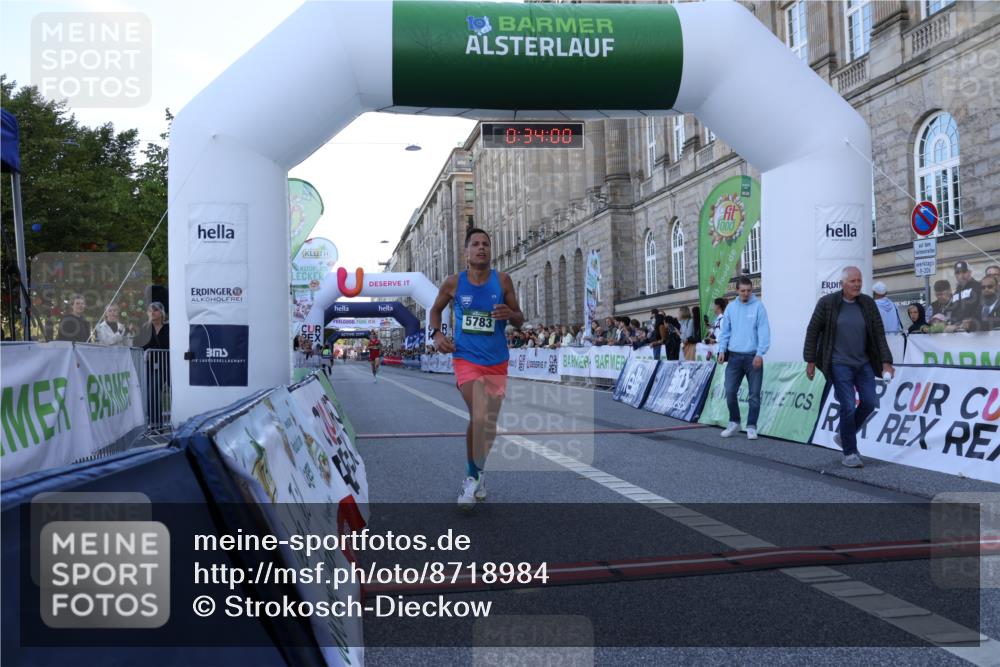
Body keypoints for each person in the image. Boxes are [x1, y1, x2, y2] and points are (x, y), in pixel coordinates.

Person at [429, 228, 524, 511]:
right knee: (479, 413)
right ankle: (470, 479)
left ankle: (479, 472)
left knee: (488, 424)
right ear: (467, 252)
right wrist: (436, 335)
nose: (481, 248)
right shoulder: (453, 283)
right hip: (466, 359)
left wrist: (511, 315)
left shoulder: (503, 280)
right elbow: (434, 310)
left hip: (497, 360)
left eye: (486, 244)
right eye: (476, 244)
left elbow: (520, 318)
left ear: (490, 251)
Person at [803, 266, 894, 469]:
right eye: (853, 281)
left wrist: (886, 362)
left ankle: (844, 436)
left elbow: (879, 334)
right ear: (843, 283)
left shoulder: (868, 304)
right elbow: (813, 331)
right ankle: (850, 452)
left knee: (870, 403)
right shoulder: (827, 303)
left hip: (863, 363)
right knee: (847, 405)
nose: (857, 284)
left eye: (859, 281)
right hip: (838, 363)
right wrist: (810, 360)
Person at [717, 277, 771, 440]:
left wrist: (760, 354)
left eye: (749, 290)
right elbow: (725, 332)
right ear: (737, 291)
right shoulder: (731, 308)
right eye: (743, 291)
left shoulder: (758, 307)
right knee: (730, 390)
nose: (746, 293)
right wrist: (721, 350)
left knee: (754, 394)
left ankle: (752, 426)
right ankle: (734, 422)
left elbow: (764, 332)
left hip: (753, 357)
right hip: (734, 357)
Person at [138, 302, 170, 428]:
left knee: (154, 392)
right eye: (150, 310)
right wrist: (145, 351)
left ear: (161, 312)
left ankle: (157, 424)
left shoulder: (169, 328)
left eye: (155, 310)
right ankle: (154, 424)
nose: (152, 313)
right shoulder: (145, 328)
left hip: (164, 366)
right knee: (149, 394)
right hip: (148, 366)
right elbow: (140, 344)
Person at [947, 260, 981, 326]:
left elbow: (981, 309)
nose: (961, 275)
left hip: (973, 330)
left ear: (970, 272)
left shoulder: (978, 286)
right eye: (958, 273)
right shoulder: (956, 292)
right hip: (957, 331)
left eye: (964, 272)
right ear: (955, 275)